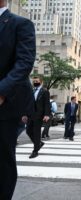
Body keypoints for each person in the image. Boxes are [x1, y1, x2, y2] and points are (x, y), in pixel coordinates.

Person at [0, 3, 36, 198]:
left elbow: (24, 63)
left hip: (6, 105)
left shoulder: (20, 24)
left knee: (3, 161)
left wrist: (1, 92)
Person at [26, 76, 51, 159]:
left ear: (41, 82)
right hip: (30, 115)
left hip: (39, 115)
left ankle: (35, 151)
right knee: (28, 131)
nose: (35, 82)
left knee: (36, 133)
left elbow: (47, 104)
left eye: (37, 81)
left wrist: (46, 115)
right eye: (34, 81)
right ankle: (39, 143)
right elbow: (28, 103)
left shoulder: (44, 91)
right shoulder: (32, 90)